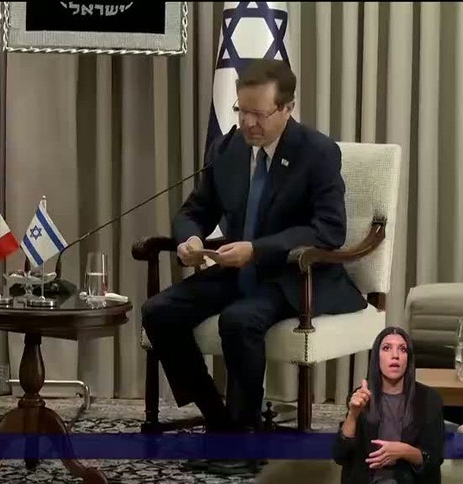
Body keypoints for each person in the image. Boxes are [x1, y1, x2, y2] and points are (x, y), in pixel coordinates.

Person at [141, 58, 367, 473]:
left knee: (240, 320)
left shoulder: (317, 152)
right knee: (158, 311)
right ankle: (220, 422)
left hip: (295, 276)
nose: (247, 123)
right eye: (241, 111)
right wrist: (190, 239)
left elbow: (329, 230)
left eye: (258, 114)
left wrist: (258, 250)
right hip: (236, 268)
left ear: (287, 107)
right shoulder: (228, 148)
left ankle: (245, 438)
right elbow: (195, 210)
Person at [332, 326, 445, 483]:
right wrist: (353, 414)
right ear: (376, 357)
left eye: (402, 349)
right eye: (386, 348)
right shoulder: (363, 396)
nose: (395, 355)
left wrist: (405, 451)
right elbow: (340, 456)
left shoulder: (429, 399)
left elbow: (434, 458)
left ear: (409, 359)